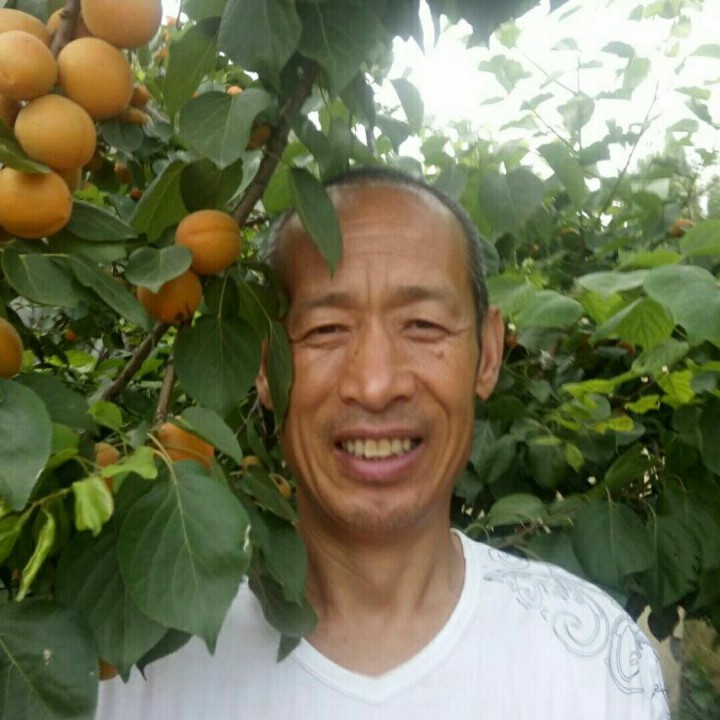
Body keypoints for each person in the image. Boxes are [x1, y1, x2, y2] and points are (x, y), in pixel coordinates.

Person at [96, 167, 670, 719]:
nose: (374, 385)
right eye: (325, 330)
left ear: (488, 354)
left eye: (423, 325)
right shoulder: (132, 668)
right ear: (265, 367)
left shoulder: (590, 662)